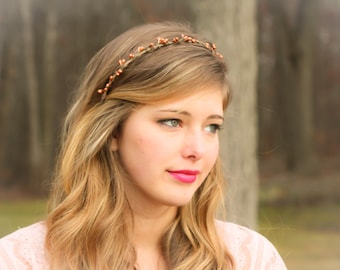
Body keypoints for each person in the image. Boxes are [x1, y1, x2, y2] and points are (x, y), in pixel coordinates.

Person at [0, 21, 287, 270]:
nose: (197, 149)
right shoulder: (21, 261)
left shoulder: (250, 258)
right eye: (172, 122)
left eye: (212, 127)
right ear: (112, 131)